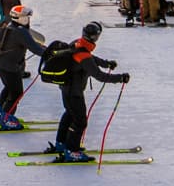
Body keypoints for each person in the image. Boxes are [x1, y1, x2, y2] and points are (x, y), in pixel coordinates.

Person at [47, 21, 129, 162]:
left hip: (66, 88)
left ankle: (61, 144)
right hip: (74, 93)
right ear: (95, 37)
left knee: (69, 115)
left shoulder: (77, 43)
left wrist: (106, 63)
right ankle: (72, 151)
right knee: (80, 121)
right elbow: (99, 75)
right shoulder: (83, 56)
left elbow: (90, 58)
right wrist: (120, 78)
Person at [0, 4, 45, 129]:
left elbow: (32, 44)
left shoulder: (10, 27)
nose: (28, 20)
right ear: (22, 18)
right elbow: (35, 48)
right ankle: (6, 120)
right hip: (10, 67)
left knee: (8, 88)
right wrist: (50, 54)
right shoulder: (21, 31)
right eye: (27, 17)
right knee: (16, 93)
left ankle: (0, 114)